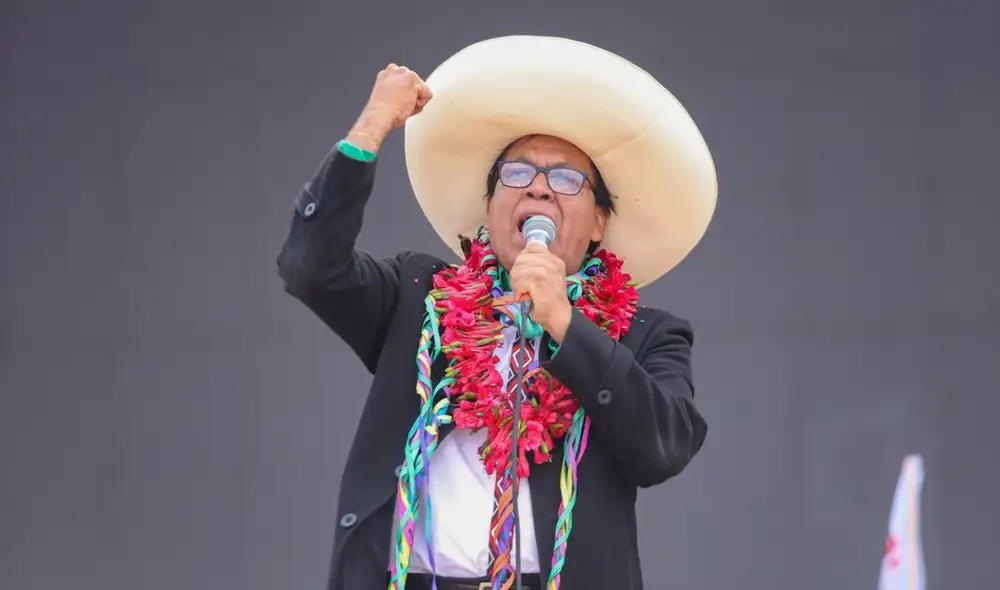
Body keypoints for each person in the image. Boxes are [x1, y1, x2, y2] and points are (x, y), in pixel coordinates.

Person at [277, 36, 718, 590]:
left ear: (600, 222)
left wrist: (566, 326)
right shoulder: (422, 299)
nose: (537, 188)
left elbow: (665, 447)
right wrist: (368, 129)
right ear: (490, 208)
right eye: (515, 174)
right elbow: (309, 268)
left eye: (565, 179)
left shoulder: (645, 334)